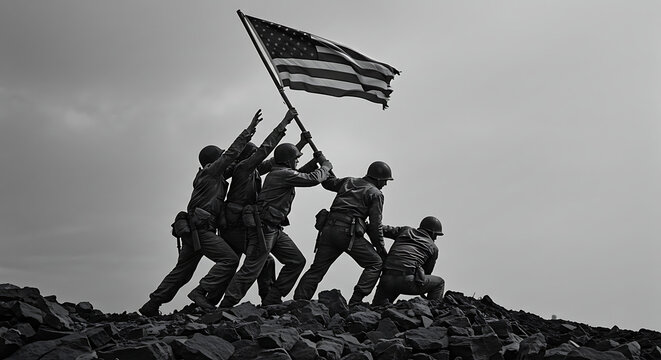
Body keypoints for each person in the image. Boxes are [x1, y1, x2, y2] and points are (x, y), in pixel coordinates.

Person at [138, 110, 262, 316]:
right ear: (214, 161)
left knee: (183, 272)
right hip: (201, 231)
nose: (226, 160)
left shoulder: (212, 176)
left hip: (194, 230)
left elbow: (240, 165)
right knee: (229, 260)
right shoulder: (211, 172)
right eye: (221, 157)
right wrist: (249, 131)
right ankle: (200, 293)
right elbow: (232, 154)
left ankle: (152, 304)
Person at [205, 108, 308, 305]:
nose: (258, 157)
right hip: (236, 226)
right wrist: (284, 123)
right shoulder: (243, 169)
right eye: (254, 155)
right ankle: (223, 301)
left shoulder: (254, 170)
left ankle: (268, 299)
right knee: (254, 262)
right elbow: (266, 150)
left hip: (247, 223)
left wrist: (299, 145)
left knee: (263, 261)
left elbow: (278, 160)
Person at [219, 143, 333, 307]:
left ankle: (273, 297)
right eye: (295, 159)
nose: (297, 162)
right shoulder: (281, 174)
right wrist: (326, 167)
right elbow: (312, 179)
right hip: (264, 227)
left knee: (296, 261)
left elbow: (299, 173)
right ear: (288, 161)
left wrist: (314, 162)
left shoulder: (284, 172)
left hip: (275, 227)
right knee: (253, 266)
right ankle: (228, 302)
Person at [294, 161, 392, 305]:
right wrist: (381, 248)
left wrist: (324, 166)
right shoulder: (375, 194)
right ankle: (355, 302)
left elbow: (328, 183)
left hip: (328, 230)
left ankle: (299, 302)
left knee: (316, 270)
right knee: (375, 263)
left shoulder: (349, 181)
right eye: (385, 180)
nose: (385, 184)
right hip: (348, 234)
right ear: (379, 178)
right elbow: (376, 225)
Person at [371, 216, 445, 306]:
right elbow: (426, 273)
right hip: (406, 281)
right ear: (432, 233)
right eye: (436, 235)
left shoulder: (405, 231)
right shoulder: (433, 248)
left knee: (377, 308)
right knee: (440, 282)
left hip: (386, 280)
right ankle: (432, 311)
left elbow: (380, 229)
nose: (436, 238)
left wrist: (366, 225)